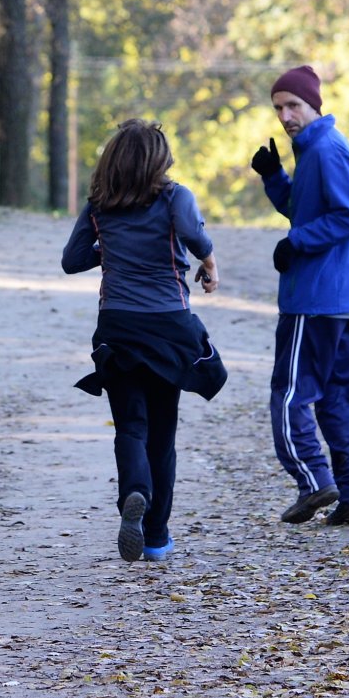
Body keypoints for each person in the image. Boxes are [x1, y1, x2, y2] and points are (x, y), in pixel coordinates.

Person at [62, 119, 228, 562]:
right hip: (167, 327)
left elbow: (72, 260)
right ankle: (155, 537)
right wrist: (209, 261)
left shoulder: (100, 206)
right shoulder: (176, 197)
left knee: (130, 427)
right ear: (159, 162)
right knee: (163, 434)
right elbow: (194, 235)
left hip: (117, 328)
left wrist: (112, 247)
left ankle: (134, 493)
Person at [249, 64, 349, 528]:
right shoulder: (314, 150)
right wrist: (275, 178)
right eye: (278, 107)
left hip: (316, 300)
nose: (285, 115)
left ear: (313, 105)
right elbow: (305, 209)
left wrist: (296, 243)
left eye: (293, 105)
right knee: (338, 401)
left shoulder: (324, 148)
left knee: (289, 396)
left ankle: (313, 480)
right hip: (346, 301)